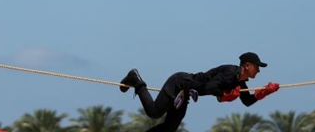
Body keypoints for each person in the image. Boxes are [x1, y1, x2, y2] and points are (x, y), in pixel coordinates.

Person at [119, 52, 280, 132]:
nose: (258, 70)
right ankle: (136, 79)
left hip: (185, 93)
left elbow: (247, 101)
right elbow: (210, 87)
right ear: (246, 65)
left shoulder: (240, 80)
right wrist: (223, 95)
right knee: (154, 112)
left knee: (170, 127)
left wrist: (265, 92)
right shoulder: (231, 73)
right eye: (257, 66)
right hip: (179, 83)